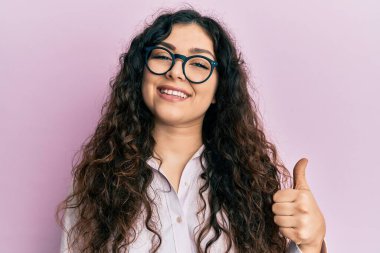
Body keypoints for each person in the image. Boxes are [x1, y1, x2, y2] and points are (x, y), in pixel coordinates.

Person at [56, 7, 327, 253]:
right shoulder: (96, 183)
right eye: (163, 56)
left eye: (198, 64)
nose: (176, 71)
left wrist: (311, 245)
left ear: (219, 91)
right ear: (140, 75)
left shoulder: (253, 183)